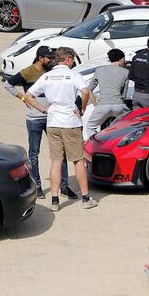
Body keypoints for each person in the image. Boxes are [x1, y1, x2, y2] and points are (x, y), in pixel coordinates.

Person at [25, 47, 98, 211]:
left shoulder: (47, 76)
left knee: (56, 161)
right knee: (78, 160)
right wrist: (82, 109)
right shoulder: (73, 75)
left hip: (52, 122)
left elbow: (29, 95)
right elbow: (85, 91)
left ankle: (55, 200)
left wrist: (43, 110)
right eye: (72, 59)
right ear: (68, 59)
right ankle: (85, 198)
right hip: (70, 122)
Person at [2, 45, 77, 200]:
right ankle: (37, 185)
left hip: (52, 119)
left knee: (60, 152)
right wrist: (22, 98)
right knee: (34, 153)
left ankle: (64, 186)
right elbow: (7, 84)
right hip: (34, 119)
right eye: (49, 58)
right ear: (40, 58)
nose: (52, 60)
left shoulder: (51, 71)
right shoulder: (28, 72)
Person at [85, 49, 130, 139]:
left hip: (102, 106)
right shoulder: (126, 72)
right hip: (119, 106)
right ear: (120, 59)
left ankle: (94, 146)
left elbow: (89, 89)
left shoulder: (99, 70)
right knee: (130, 124)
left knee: (90, 127)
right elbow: (123, 94)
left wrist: (95, 105)